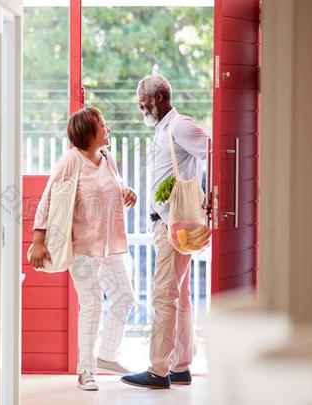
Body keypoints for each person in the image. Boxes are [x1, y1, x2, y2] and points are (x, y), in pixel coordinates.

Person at [28, 107, 137, 391]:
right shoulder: (71, 161)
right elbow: (48, 199)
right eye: (103, 125)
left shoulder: (107, 158)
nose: (108, 128)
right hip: (83, 248)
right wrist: (38, 240)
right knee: (92, 304)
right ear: (89, 132)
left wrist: (125, 190)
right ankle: (85, 370)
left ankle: (106, 355)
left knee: (124, 297)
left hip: (109, 245)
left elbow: (112, 186)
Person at [122, 75, 210, 389]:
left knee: (164, 296)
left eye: (142, 100)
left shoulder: (181, 126)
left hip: (175, 224)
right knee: (180, 295)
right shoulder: (163, 128)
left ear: (158, 98)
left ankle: (158, 370)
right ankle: (181, 366)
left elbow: (215, 150)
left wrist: (212, 197)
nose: (140, 106)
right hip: (168, 222)